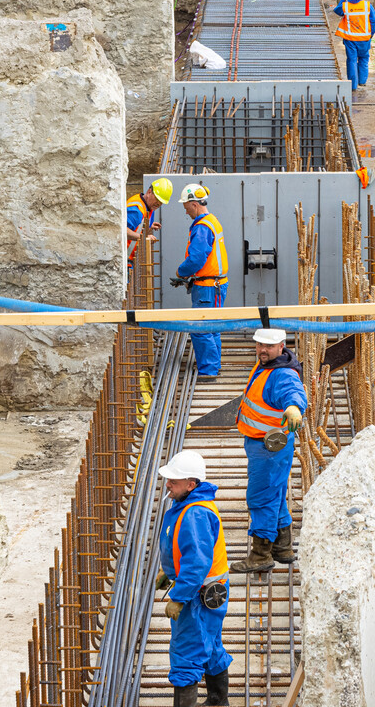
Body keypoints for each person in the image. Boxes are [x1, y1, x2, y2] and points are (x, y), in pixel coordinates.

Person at [150, 448, 232, 707]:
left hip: (197, 596)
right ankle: (218, 702)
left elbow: (197, 563)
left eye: (174, 481)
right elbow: (188, 553)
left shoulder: (194, 513)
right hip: (208, 593)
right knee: (209, 645)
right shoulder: (191, 505)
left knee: (186, 651)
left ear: (191, 484)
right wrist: (169, 573)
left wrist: (179, 596)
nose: (168, 485)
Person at [230, 327, 306, 574]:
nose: (262, 350)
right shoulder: (267, 365)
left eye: (269, 347)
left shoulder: (282, 373)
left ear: (281, 347)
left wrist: (294, 406)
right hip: (263, 443)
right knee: (276, 493)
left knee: (261, 497)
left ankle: (260, 555)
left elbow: (292, 391)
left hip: (269, 447)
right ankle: (283, 548)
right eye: (259, 345)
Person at [169, 184, 226, 378]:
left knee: (201, 328)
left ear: (194, 204)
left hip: (208, 286)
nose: (186, 212)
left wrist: (181, 272)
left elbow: (196, 258)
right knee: (213, 326)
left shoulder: (202, 227)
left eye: (186, 208)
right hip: (214, 284)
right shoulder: (212, 221)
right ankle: (213, 365)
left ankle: (209, 371)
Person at [334, 0, 375, 95]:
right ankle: (362, 81)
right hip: (364, 39)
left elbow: (337, 11)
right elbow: (374, 21)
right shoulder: (367, 5)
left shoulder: (345, 5)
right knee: (363, 59)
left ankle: (353, 85)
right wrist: (370, 34)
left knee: (352, 60)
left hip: (350, 40)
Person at [127, 176, 173, 265]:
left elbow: (135, 225)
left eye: (162, 202)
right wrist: (143, 237)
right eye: (158, 199)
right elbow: (122, 231)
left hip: (132, 260)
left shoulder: (148, 206)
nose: (159, 204)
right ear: (149, 192)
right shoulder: (136, 209)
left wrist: (147, 225)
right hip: (126, 260)